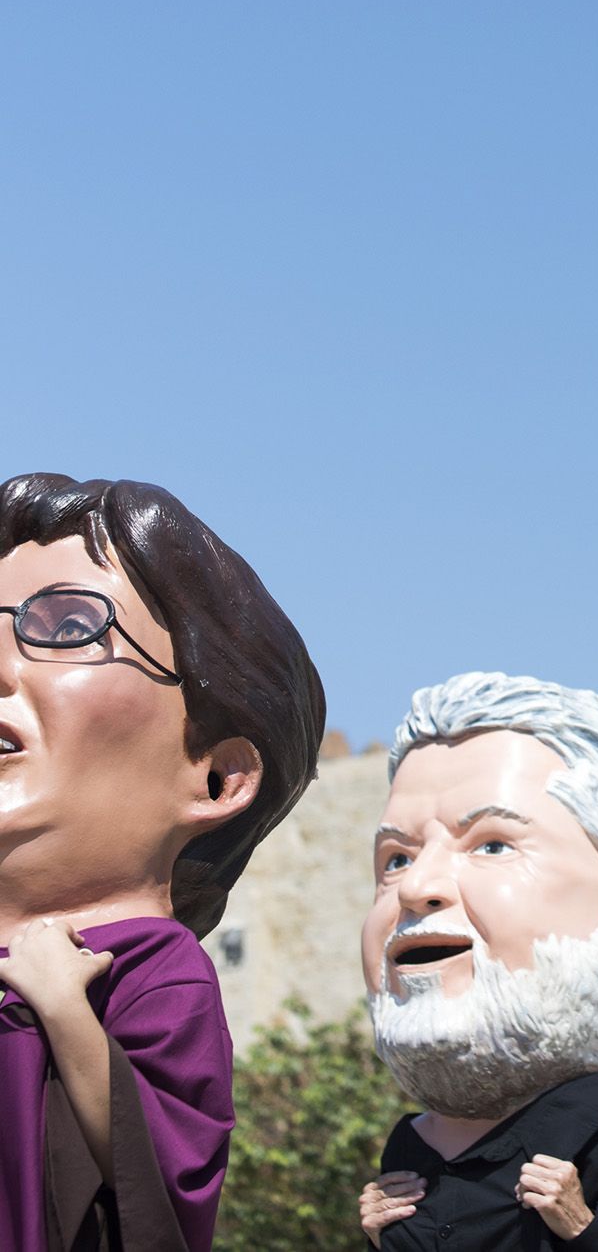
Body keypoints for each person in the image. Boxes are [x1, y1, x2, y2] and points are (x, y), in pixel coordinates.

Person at [0, 471, 326, 1252]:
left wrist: (64, 1010)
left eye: (66, 623)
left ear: (217, 776)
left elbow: (159, 1183)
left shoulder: (152, 970)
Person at [358, 670, 598, 1252]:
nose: (415, 888)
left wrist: (587, 1227)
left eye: (492, 845)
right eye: (397, 859)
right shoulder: (410, 1149)